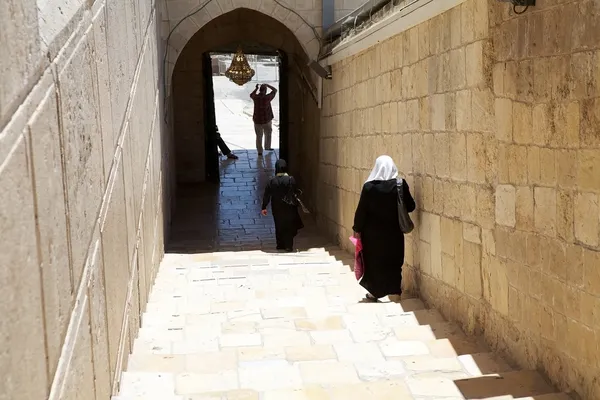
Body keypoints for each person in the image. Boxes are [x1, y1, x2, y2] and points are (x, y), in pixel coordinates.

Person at [352, 155, 415, 302]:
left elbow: (361, 212)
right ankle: (395, 292)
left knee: (374, 263)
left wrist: (357, 229)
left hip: (372, 235)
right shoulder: (400, 184)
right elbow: (411, 206)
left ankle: (375, 292)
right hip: (394, 233)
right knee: (394, 261)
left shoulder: (369, 187)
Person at [261, 159, 304, 252]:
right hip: (289, 207)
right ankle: (288, 246)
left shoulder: (272, 181)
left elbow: (267, 194)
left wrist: (264, 207)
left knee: (279, 225)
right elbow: (296, 191)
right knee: (288, 225)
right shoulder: (290, 179)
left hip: (276, 207)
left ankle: (280, 244)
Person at [250, 83, 277, 156]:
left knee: (259, 136)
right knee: (268, 134)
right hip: (267, 120)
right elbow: (275, 90)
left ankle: (260, 151)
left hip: (257, 121)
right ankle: (267, 147)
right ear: (265, 91)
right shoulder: (267, 98)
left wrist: (256, 88)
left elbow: (251, 94)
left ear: (260, 90)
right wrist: (267, 85)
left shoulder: (255, 97)